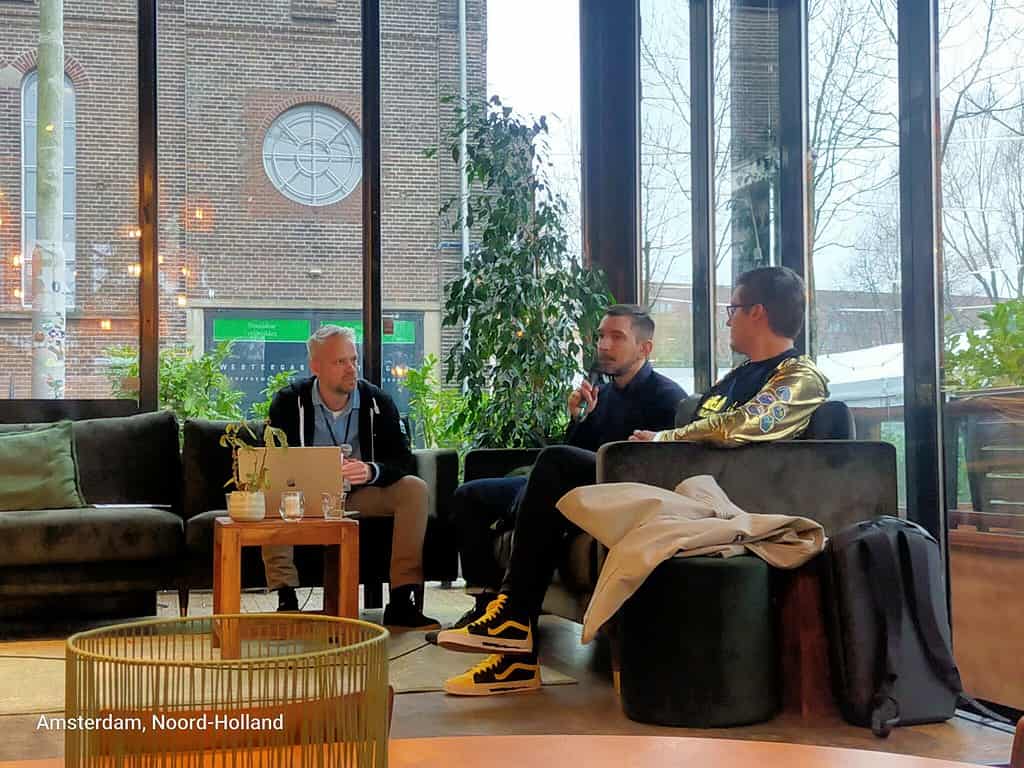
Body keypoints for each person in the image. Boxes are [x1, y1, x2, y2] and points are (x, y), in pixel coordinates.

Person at [437, 266, 829, 695]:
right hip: (671, 477)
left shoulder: (799, 375)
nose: (727, 318)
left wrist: (664, 437)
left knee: (556, 464)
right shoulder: (736, 376)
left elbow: (738, 426)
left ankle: (514, 625)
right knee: (550, 469)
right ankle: (514, 635)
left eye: (732, 308)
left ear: (758, 312)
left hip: (707, 492)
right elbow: (704, 422)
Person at [427, 305, 686, 645]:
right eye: (601, 337)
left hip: (612, 492)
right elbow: (573, 453)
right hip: (576, 483)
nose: (604, 345)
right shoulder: (603, 394)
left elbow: (658, 468)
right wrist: (578, 418)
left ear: (645, 348)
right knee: (470, 495)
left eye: (616, 337)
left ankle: (518, 613)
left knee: (550, 462)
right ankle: (489, 606)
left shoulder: (668, 399)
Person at [264, 325, 439, 629]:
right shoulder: (288, 403)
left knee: (414, 488)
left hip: (359, 493)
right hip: (306, 496)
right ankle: (286, 598)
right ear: (315, 366)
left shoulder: (377, 402)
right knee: (270, 490)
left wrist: (372, 470)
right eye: (340, 362)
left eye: (353, 360)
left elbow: (402, 459)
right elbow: (273, 460)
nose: (351, 369)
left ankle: (401, 600)